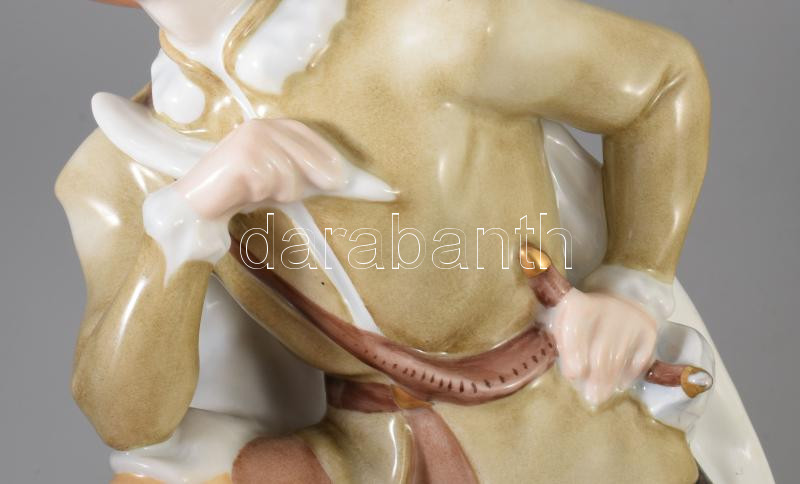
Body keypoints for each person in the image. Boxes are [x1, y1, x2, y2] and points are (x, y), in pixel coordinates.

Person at [58, 0, 711, 482]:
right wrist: (187, 214)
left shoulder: (428, 26)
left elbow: (662, 80)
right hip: (365, 454)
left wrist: (634, 282)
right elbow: (129, 421)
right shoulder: (121, 168)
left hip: (564, 424)